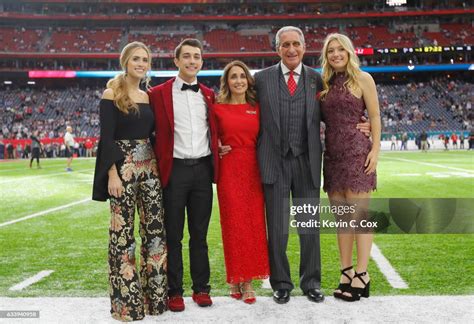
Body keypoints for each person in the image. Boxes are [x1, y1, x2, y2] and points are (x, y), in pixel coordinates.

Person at [250, 26, 371, 305]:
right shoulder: (262, 79)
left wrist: (370, 127)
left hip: (307, 161)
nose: (291, 50)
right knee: (278, 228)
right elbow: (242, 113)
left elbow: (350, 111)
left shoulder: (319, 80)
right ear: (277, 49)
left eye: (296, 44)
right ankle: (281, 283)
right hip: (273, 162)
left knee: (309, 227)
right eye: (285, 45)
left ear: (305, 47)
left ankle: (311, 282)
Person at [92, 41, 167, 321]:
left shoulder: (148, 97)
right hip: (122, 171)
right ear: (125, 61)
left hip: (150, 170)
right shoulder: (111, 93)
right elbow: (106, 137)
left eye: (145, 60)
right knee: (122, 238)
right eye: (136, 59)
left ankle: (155, 301)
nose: (141, 64)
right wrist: (112, 174)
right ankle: (127, 306)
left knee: (155, 235)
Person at [148, 38, 218, 312]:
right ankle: (174, 291)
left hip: (202, 170)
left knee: (199, 235)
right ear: (176, 61)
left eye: (196, 56)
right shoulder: (158, 93)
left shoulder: (209, 95)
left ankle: (201, 289)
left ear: (201, 61)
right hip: (174, 171)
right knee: (173, 235)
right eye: (186, 56)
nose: (192, 61)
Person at [320, 33, 381, 302]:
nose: (335, 54)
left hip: (358, 152)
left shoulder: (363, 78)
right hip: (332, 156)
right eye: (330, 50)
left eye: (340, 49)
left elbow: (376, 116)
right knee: (342, 220)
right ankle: (345, 272)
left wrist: (376, 149)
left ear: (349, 52)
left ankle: (362, 274)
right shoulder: (323, 83)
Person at [212, 61, 270, 304]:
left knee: (253, 225)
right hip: (229, 170)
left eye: (242, 76)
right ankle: (236, 277)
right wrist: (216, 147)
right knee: (233, 225)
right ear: (227, 81)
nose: (238, 81)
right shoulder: (217, 108)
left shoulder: (257, 107)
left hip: (253, 169)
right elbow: (209, 136)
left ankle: (246, 280)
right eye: (233, 77)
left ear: (248, 80)